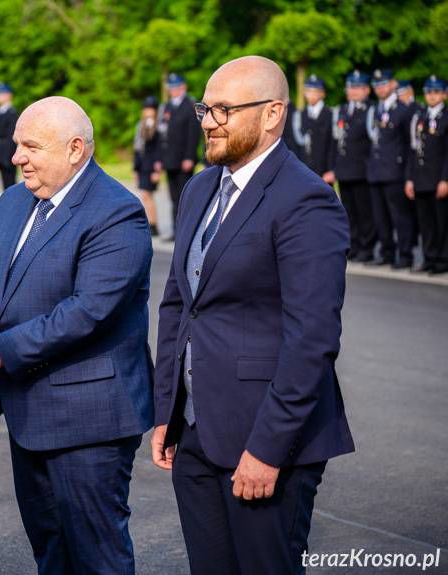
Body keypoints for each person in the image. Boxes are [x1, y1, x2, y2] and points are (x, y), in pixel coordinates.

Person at [0, 96, 154, 574]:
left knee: (96, 555)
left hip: (91, 418)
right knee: (51, 551)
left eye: (30, 146)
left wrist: (0, 349)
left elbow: (89, 312)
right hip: (29, 411)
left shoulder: (117, 212)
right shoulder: (14, 199)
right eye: (15, 145)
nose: (16, 157)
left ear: (74, 149)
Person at [151, 56, 354, 575]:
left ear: (271, 115)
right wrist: (166, 410)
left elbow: (311, 339)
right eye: (204, 108)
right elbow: (180, 303)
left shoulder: (306, 200)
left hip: (266, 445)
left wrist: (267, 450)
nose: (208, 121)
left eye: (224, 109)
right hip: (195, 435)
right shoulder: (200, 188)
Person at [367, 68, 416, 268]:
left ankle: (405, 255)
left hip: (395, 171)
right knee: (380, 217)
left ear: (394, 84)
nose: (380, 89)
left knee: (400, 217)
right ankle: (387, 253)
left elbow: (409, 145)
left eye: (384, 84)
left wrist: (408, 175)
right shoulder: (376, 110)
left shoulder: (404, 110)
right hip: (376, 171)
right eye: (377, 85)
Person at [327, 70, 377, 262]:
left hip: (362, 169)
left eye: (357, 88)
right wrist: (334, 167)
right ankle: (354, 244)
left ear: (366, 90)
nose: (353, 91)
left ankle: (368, 246)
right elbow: (336, 142)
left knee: (365, 212)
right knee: (349, 213)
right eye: (350, 87)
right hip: (345, 170)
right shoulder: (342, 110)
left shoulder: (370, 110)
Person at [405, 75, 448, 275]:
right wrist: (410, 178)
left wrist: (445, 179)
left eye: (436, 92)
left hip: (438, 179)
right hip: (421, 178)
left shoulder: (446, 117)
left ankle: (442, 258)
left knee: (442, 222)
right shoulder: (420, 117)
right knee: (426, 223)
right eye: (429, 92)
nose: (432, 96)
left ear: (444, 94)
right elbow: (413, 150)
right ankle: (429, 257)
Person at [154, 73, 201, 240]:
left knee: (185, 197)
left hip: (183, 160)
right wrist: (159, 159)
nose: (173, 90)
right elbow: (162, 134)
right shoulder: (166, 107)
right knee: (174, 197)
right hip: (169, 160)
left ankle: (188, 232)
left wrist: (189, 157)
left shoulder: (190, 106)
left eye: (176, 87)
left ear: (183, 87)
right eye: (171, 88)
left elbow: (193, 134)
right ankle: (176, 231)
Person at [293, 75, 333, 181]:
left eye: (314, 91)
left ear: (322, 94)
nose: (310, 95)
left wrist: (331, 169)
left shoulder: (330, 114)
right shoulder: (301, 115)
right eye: (308, 91)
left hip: (324, 170)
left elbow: (332, 144)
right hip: (304, 168)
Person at [133, 95, 162, 236]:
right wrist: (135, 168)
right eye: (146, 109)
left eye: (151, 109)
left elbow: (158, 149)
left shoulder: (158, 126)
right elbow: (137, 149)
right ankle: (151, 223)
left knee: (147, 194)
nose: (148, 112)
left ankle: (154, 224)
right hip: (142, 165)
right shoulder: (140, 125)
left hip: (151, 166)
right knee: (145, 195)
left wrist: (158, 170)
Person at [0, 82, 19, 191]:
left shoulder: (11, 113)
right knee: (4, 185)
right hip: (1, 154)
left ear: (9, 95)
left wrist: (8, 157)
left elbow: (11, 138)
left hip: (8, 156)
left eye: (1, 93)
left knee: (10, 185)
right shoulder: (0, 112)